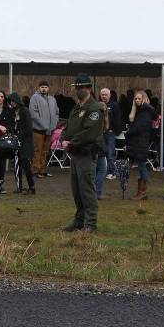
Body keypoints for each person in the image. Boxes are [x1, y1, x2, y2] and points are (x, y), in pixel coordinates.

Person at [60, 73, 105, 233]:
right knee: (77, 191)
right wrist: (63, 139)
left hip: (86, 153)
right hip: (75, 154)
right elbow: (68, 127)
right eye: (76, 87)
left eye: (80, 87)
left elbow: (89, 132)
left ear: (88, 88)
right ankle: (79, 221)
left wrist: (71, 142)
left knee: (87, 190)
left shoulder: (94, 109)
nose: (77, 90)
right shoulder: (77, 107)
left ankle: (91, 224)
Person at [125, 90, 156, 201]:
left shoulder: (146, 112)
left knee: (142, 165)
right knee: (141, 165)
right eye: (136, 98)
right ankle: (141, 191)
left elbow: (139, 127)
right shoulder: (140, 110)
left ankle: (142, 192)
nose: (137, 100)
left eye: (139, 98)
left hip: (141, 142)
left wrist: (129, 133)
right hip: (137, 141)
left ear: (144, 99)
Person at [29, 80, 58, 179]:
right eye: (42, 87)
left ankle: (43, 169)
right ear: (39, 88)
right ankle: (35, 170)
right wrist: (44, 125)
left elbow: (57, 112)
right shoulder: (34, 98)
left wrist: (53, 124)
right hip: (38, 130)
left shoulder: (52, 99)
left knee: (45, 151)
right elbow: (33, 114)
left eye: (46, 87)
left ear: (48, 88)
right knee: (38, 150)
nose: (44, 89)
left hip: (50, 130)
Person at [8, 93, 35, 195]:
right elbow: (12, 125)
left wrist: (19, 136)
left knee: (26, 165)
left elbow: (29, 127)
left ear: (17, 100)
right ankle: (19, 187)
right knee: (16, 165)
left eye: (13, 101)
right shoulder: (13, 112)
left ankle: (31, 187)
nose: (12, 103)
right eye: (11, 101)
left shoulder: (25, 111)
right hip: (16, 142)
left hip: (25, 143)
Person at [99, 87, 120, 179]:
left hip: (110, 133)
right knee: (101, 152)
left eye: (105, 94)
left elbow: (118, 119)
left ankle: (112, 172)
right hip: (100, 133)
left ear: (109, 95)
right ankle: (103, 171)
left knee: (110, 153)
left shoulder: (114, 105)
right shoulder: (98, 105)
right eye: (102, 94)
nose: (104, 96)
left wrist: (114, 130)